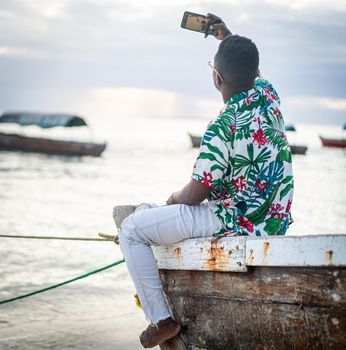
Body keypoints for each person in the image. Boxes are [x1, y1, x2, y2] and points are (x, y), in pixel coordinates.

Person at [119, 13, 294, 348]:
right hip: (272, 220)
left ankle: (161, 320)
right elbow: (247, 66)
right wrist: (225, 36)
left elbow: (196, 193)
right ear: (255, 74)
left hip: (234, 221)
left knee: (132, 228)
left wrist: (172, 199)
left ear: (217, 79)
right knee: (146, 213)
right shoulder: (269, 97)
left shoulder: (222, 125)